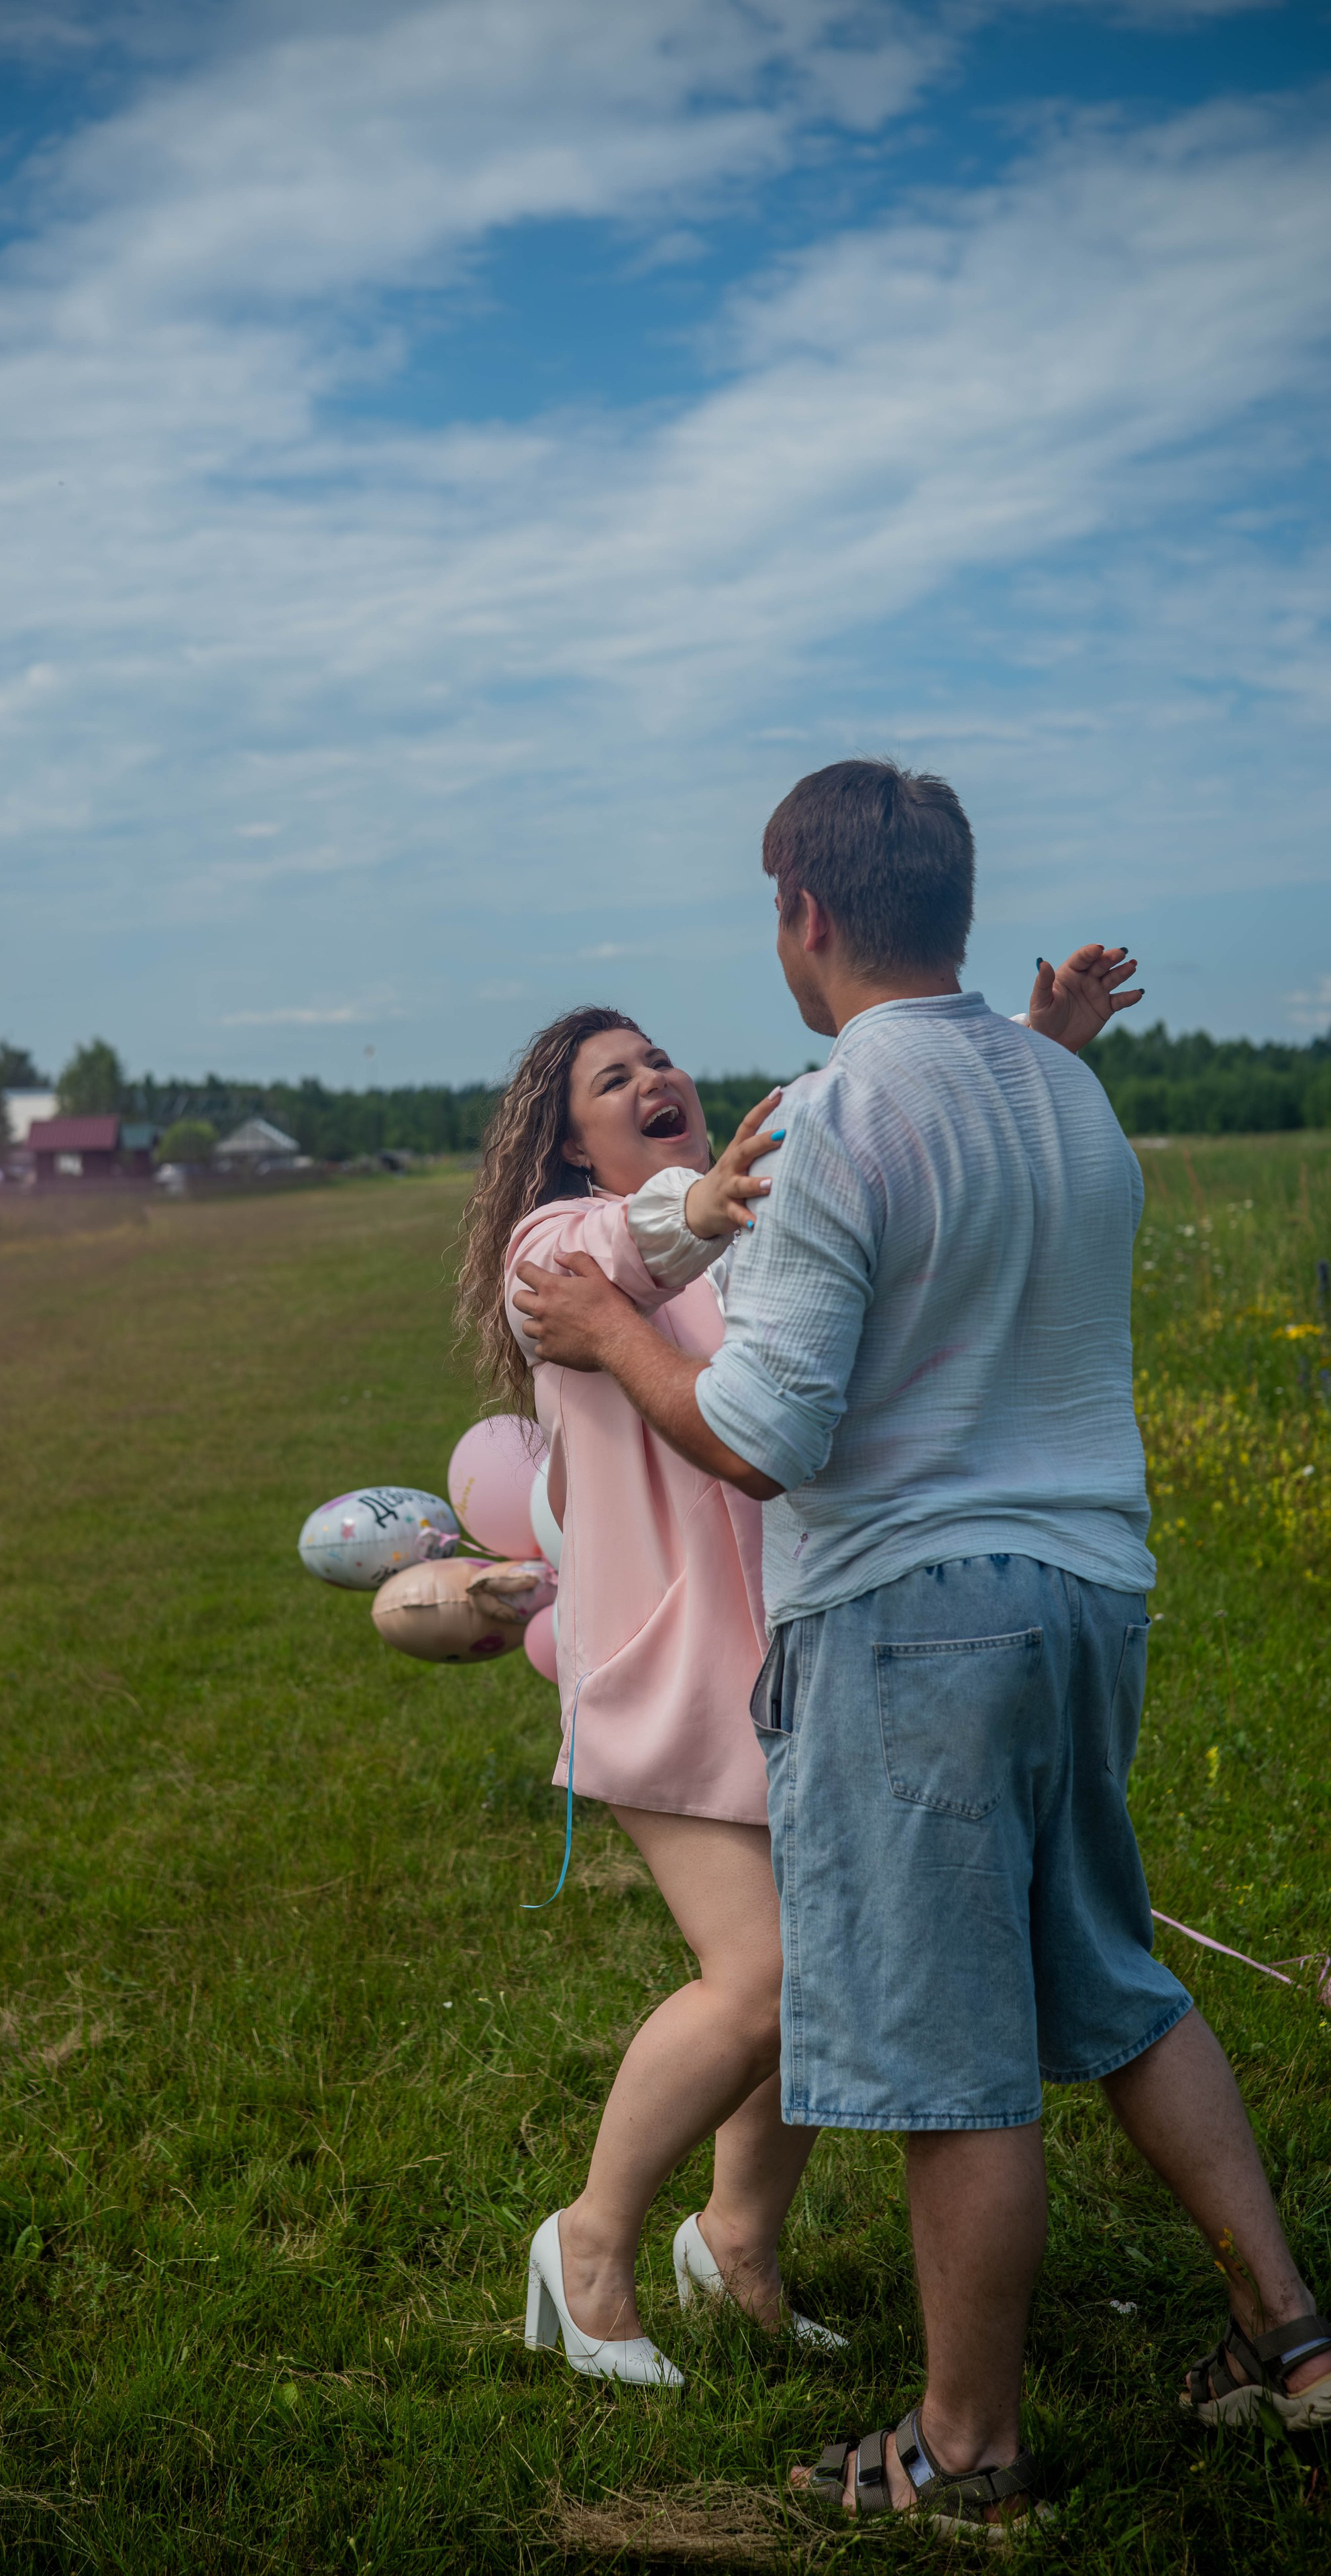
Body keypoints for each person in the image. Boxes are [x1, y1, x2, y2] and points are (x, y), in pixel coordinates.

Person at [513, 759, 1330, 2524]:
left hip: (913, 1624)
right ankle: (1292, 2341)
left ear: (802, 913)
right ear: (952, 902)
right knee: (1111, 1982)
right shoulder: (1068, 1099)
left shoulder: (828, 1113)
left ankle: (967, 2451)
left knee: (955, 2053)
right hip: (1093, 1597)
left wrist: (605, 1333)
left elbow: (761, 1428)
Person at [465, 935, 1143, 2390]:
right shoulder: (560, 1252)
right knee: (764, 1977)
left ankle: (739, 2247)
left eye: (656, 1059)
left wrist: (1035, 1056)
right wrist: (685, 1212)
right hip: (661, 1674)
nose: (653, 1077)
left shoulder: (752, 1218)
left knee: (828, 1967)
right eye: (611, 1076)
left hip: (803, 1663)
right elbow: (613, 1257)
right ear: (564, 1145)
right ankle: (586, 2245)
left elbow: (900, 1167)